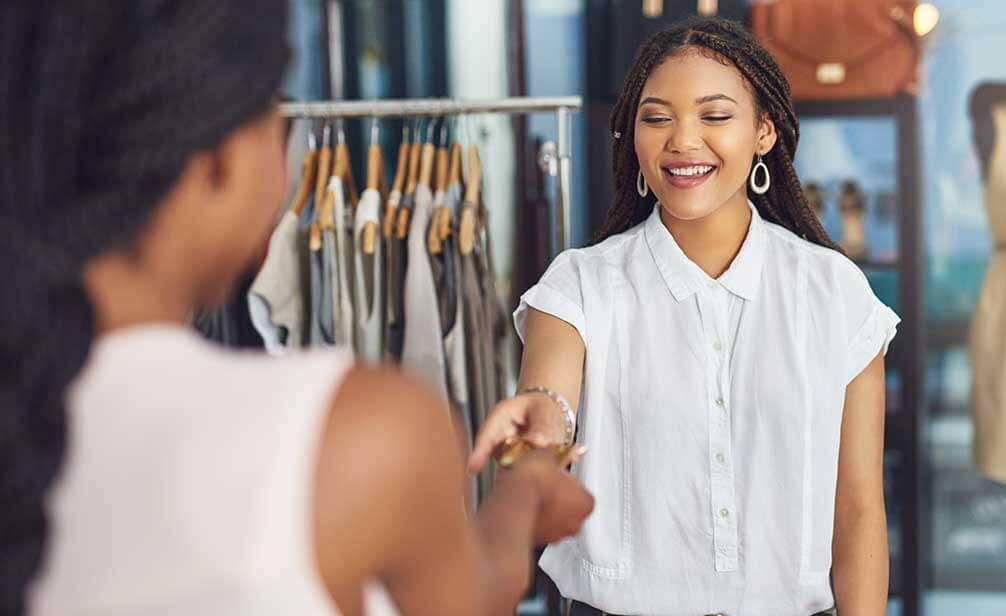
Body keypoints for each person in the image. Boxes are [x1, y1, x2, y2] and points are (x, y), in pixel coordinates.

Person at [0, 2, 592, 615]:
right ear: (221, 163)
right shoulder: (357, 433)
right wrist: (526, 494)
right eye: (277, 121)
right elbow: (469, 595)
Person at [470, 18, 898, 616]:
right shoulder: (582, 283)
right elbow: (550, 396)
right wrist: (544, 416)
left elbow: (858, 512)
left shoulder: (834, 292)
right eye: (656, 117)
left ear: (764, 132)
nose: (683, 141)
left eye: (715, 117)